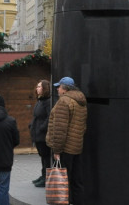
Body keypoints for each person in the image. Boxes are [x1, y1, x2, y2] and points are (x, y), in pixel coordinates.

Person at [46, 76, 87, 205]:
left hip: (64, 148)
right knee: (76, 180)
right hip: (76, 147)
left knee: (63, 181)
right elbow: (83, 126)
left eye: (59, 87)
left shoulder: (64, 101)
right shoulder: (80, 100)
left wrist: (57, 150)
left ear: (65, 89)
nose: (57, 89)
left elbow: (59, 129)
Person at [29, 79, 51, 188]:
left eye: (39, 86)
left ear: (45, 88)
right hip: (37, 134)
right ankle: (43, 176)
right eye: (37, 86)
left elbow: (49, 117)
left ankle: (46, 177)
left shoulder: (48, 102)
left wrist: (42, 128)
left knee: (46, 157)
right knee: (42, 157)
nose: (37, 88)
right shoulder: (40, 101)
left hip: (43, 135)